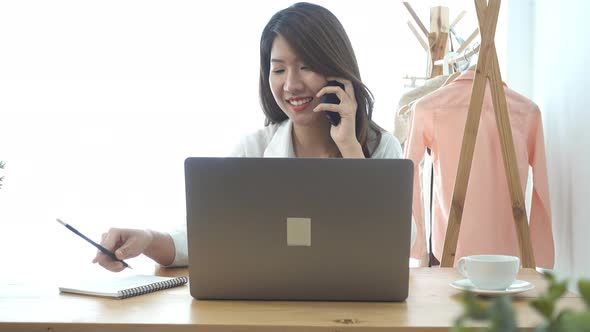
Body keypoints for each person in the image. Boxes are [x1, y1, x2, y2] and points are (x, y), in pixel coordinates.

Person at [93, 2, 408, 272]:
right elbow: (203, 236)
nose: (291, 85)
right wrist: (147, 239)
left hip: (357, 313)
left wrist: (349, 146)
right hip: (270, 309)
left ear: (337, 71)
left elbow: (392, 245)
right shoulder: (254, 148)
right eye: (279, 69)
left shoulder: (381, 149)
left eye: (307, 66)